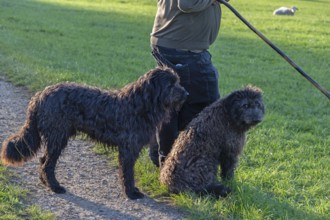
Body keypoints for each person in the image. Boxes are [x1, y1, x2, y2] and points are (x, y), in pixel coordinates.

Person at [149, 0, 223, 167]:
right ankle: (176, 164)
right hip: (182, 48)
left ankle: (163, 157)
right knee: (205, 104)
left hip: (177, 43)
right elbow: (187, 3)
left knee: (173, 103)